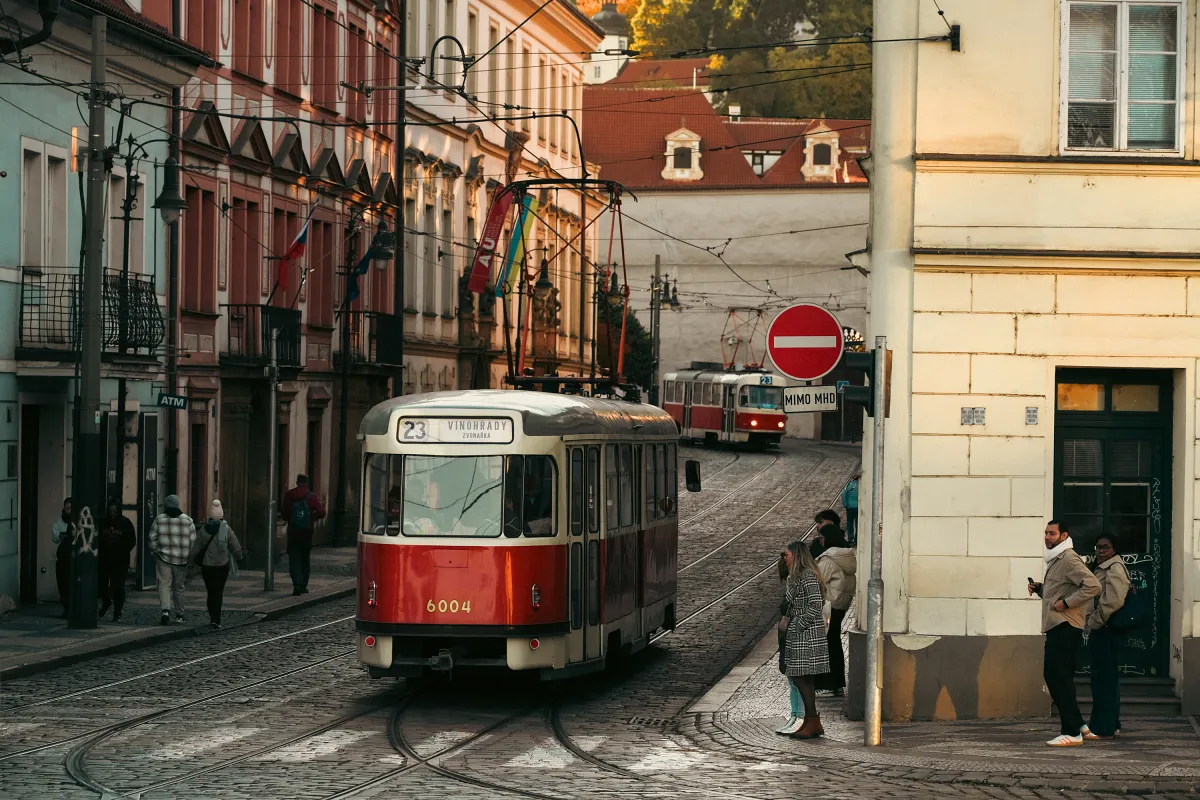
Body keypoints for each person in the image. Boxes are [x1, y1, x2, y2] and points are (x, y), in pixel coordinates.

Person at [1028, 519, 1101, 747]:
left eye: (1052, 533)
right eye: (1046, 533)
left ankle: (1071, 732)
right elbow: (1059, 593)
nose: (1047, 537)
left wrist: (1068, 603)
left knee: (1056, 677)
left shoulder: (1069, 559)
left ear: (1064, 535)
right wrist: (1041, 588)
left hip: (1065, 626)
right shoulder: (1056, 559)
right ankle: (1079, 725)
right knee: (1061, 677)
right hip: (1058, 625)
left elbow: (1094, 586)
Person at [780, 538, 830, 740]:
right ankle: (811, 721)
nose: (784, 558)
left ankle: (812, 720)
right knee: (803, 677)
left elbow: (816, 603)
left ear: (797, 556)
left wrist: (799, 625)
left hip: (806, 634)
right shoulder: (797, 576)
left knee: (800, 676)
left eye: (787, 555)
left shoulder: (807, 575)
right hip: (802, 633)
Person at [1085, 534, 1130, 740]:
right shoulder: (1101, 567)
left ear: (1114, 549)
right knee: (1104, 679)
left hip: (1106, 629)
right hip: (1103, 628)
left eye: (1106, 547)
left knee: (1104, 680)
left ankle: (1104, 726)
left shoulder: (1114, 568)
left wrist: (1095, 621)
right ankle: (1111, 724)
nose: (1101, 551)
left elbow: (1114, 600)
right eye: (1098, 547)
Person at [815, 526, 856, 696]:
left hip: (829, 606)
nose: (820, 540)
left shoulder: (828, 560)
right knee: (834, 642)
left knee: (827, 644)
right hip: (840, 605)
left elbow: (817, 582)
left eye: (821, 537)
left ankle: (829, 684)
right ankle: (836, 683)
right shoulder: (845, 558)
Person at [191, 499, 244, 629]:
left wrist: (190, 562)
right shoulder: (226, 529)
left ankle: (212, 617)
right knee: (218, 592)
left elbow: (196, 547)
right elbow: (235, 546)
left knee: (210, 592)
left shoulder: (204, 529)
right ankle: (216, 619)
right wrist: (239, 558)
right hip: (222, 565)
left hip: (207, 566)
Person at [149, 494, 197, 625]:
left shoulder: (159, 519)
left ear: (166, 505)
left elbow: (152, 538)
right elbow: (193, 542)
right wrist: (190, 558)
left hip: (163, 558)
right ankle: (180, 615)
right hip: (182, 560)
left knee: (164, 585)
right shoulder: (188, 520)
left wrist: (155, 552)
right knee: (179, 587)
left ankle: (165, 611)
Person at [281, 474, 326, 596]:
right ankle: (303, 585)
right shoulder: (312, 496)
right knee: (305, 558)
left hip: (293, 531)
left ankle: (297, 584)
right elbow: (322, 512)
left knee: (294, 558)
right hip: (307, 531)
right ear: (307, 483)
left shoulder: (289, 495)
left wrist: (291, 518)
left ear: (297, 482)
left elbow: (284, 513)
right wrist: (313, 518)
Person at [775, 550, 804, 736]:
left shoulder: (800, 581)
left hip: (796, 636)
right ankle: (795, 716)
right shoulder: (792, 580)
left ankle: (800, 717)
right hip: (789, 635)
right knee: (792, 679)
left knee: (798, 680)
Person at [97, 499, 136, 622]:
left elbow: (132, 540)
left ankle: (117, 612)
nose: (112, 514)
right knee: (102, 584)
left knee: (118, 586)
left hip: (120, 560)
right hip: (104, 558)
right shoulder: (103, 522)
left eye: (114, 512)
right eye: (110, 512)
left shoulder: (125, 523)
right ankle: (106, 601)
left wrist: (122, 549)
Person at [51, 497, 73, 618]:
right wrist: (60, 536)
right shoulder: (59, 522)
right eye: (67, 509)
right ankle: (66, 607)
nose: (69, 511)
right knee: (63, 584)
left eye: (71, 509)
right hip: (62, 558)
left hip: (73, 558)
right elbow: (54, 537)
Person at [842, 476, 860, 546]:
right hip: (858, 507)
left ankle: (850, 537)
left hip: (850, 507)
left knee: (850, 522)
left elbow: (843, 494)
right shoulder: (861, 485)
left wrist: (846, 505)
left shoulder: (848, 485)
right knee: (858, 524)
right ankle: (857, 539)